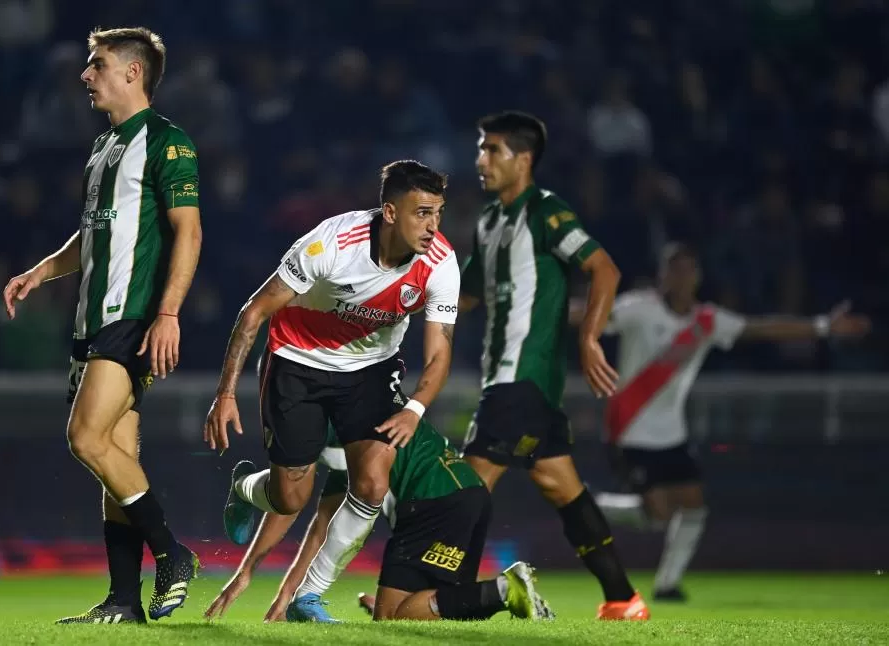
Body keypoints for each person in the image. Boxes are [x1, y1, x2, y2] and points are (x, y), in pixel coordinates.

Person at [1, 27, 203, 624]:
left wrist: (167, 314)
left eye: (97, 65)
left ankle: (172, 552)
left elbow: (188, 231)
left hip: (132, 317)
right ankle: (123, 601)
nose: (86, 76)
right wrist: (41, 271)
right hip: (94, 322)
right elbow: (95, 236)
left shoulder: (168, 143)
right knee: (116, 455)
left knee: (85, 438)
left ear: (133, 73)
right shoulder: (103, 148)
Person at [204, 160, 460, 621]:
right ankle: (245, 488)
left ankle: (309, 595)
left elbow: (440, 352)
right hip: (297, 362)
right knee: (290, 498)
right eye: (421, 212)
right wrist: (225, 393)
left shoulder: (439, 262)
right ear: (389, 211)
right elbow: (253, 313)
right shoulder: (330, 244)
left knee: (373, 484)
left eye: (438, 212)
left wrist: (417, 408)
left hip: (370, 370)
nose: (433, 225)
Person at [585, 242, 871, 601]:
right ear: (664, 275)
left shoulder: (707, 321)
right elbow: (591, 314)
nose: (682, 276)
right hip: (628, 429)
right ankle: (589, 506)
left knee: (693, 505)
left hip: (672, 434)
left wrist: (823, 326)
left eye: (689, 269)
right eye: (675, 268)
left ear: (698, 276)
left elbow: (761, 328)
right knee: (657, 515)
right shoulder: (639, 309)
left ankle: (667, 585)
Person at [458, 111, 648, 620]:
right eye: (481, 148)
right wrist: (403, 294)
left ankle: (434, 598)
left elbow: (603, 267)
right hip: (516, 383)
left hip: (520, 380)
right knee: (560, 485)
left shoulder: (545, 212)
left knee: (465, 483)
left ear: (523, 159)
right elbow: (466, 296)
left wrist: (588, 339)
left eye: (491, 149)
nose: (481, 159)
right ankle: (623, 599)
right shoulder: (488, 221)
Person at [205, 421, 553, 623]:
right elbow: (319, 522)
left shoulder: (334, 420)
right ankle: (510, 596)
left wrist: (258, 580)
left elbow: (304, 510)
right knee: (447, 610)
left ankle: (505, 589)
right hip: (470, 495)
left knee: (392, 619)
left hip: (432, 501)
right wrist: (285, 596)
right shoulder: (364, 404)